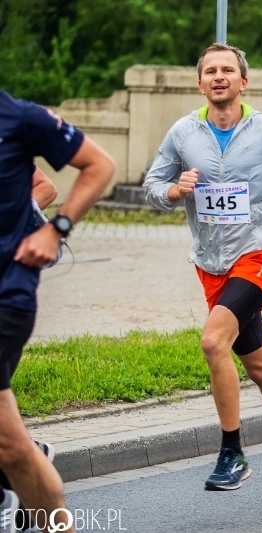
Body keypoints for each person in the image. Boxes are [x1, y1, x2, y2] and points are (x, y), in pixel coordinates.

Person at [143, 43, 262, 500]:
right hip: (212, 263)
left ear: (242, 82)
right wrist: (173, 190)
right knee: (260, 366)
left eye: (227, 70)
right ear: (200, 83)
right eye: (210, 70)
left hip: (260, 254)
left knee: (214, 341)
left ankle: (232, 452)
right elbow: (151, 185)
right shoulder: (184, 133)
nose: (219, 76)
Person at [0, 90, 115, 533]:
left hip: (6, 296)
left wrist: (55, 229)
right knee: (11, 449)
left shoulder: (19, 117)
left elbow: (100, 164)